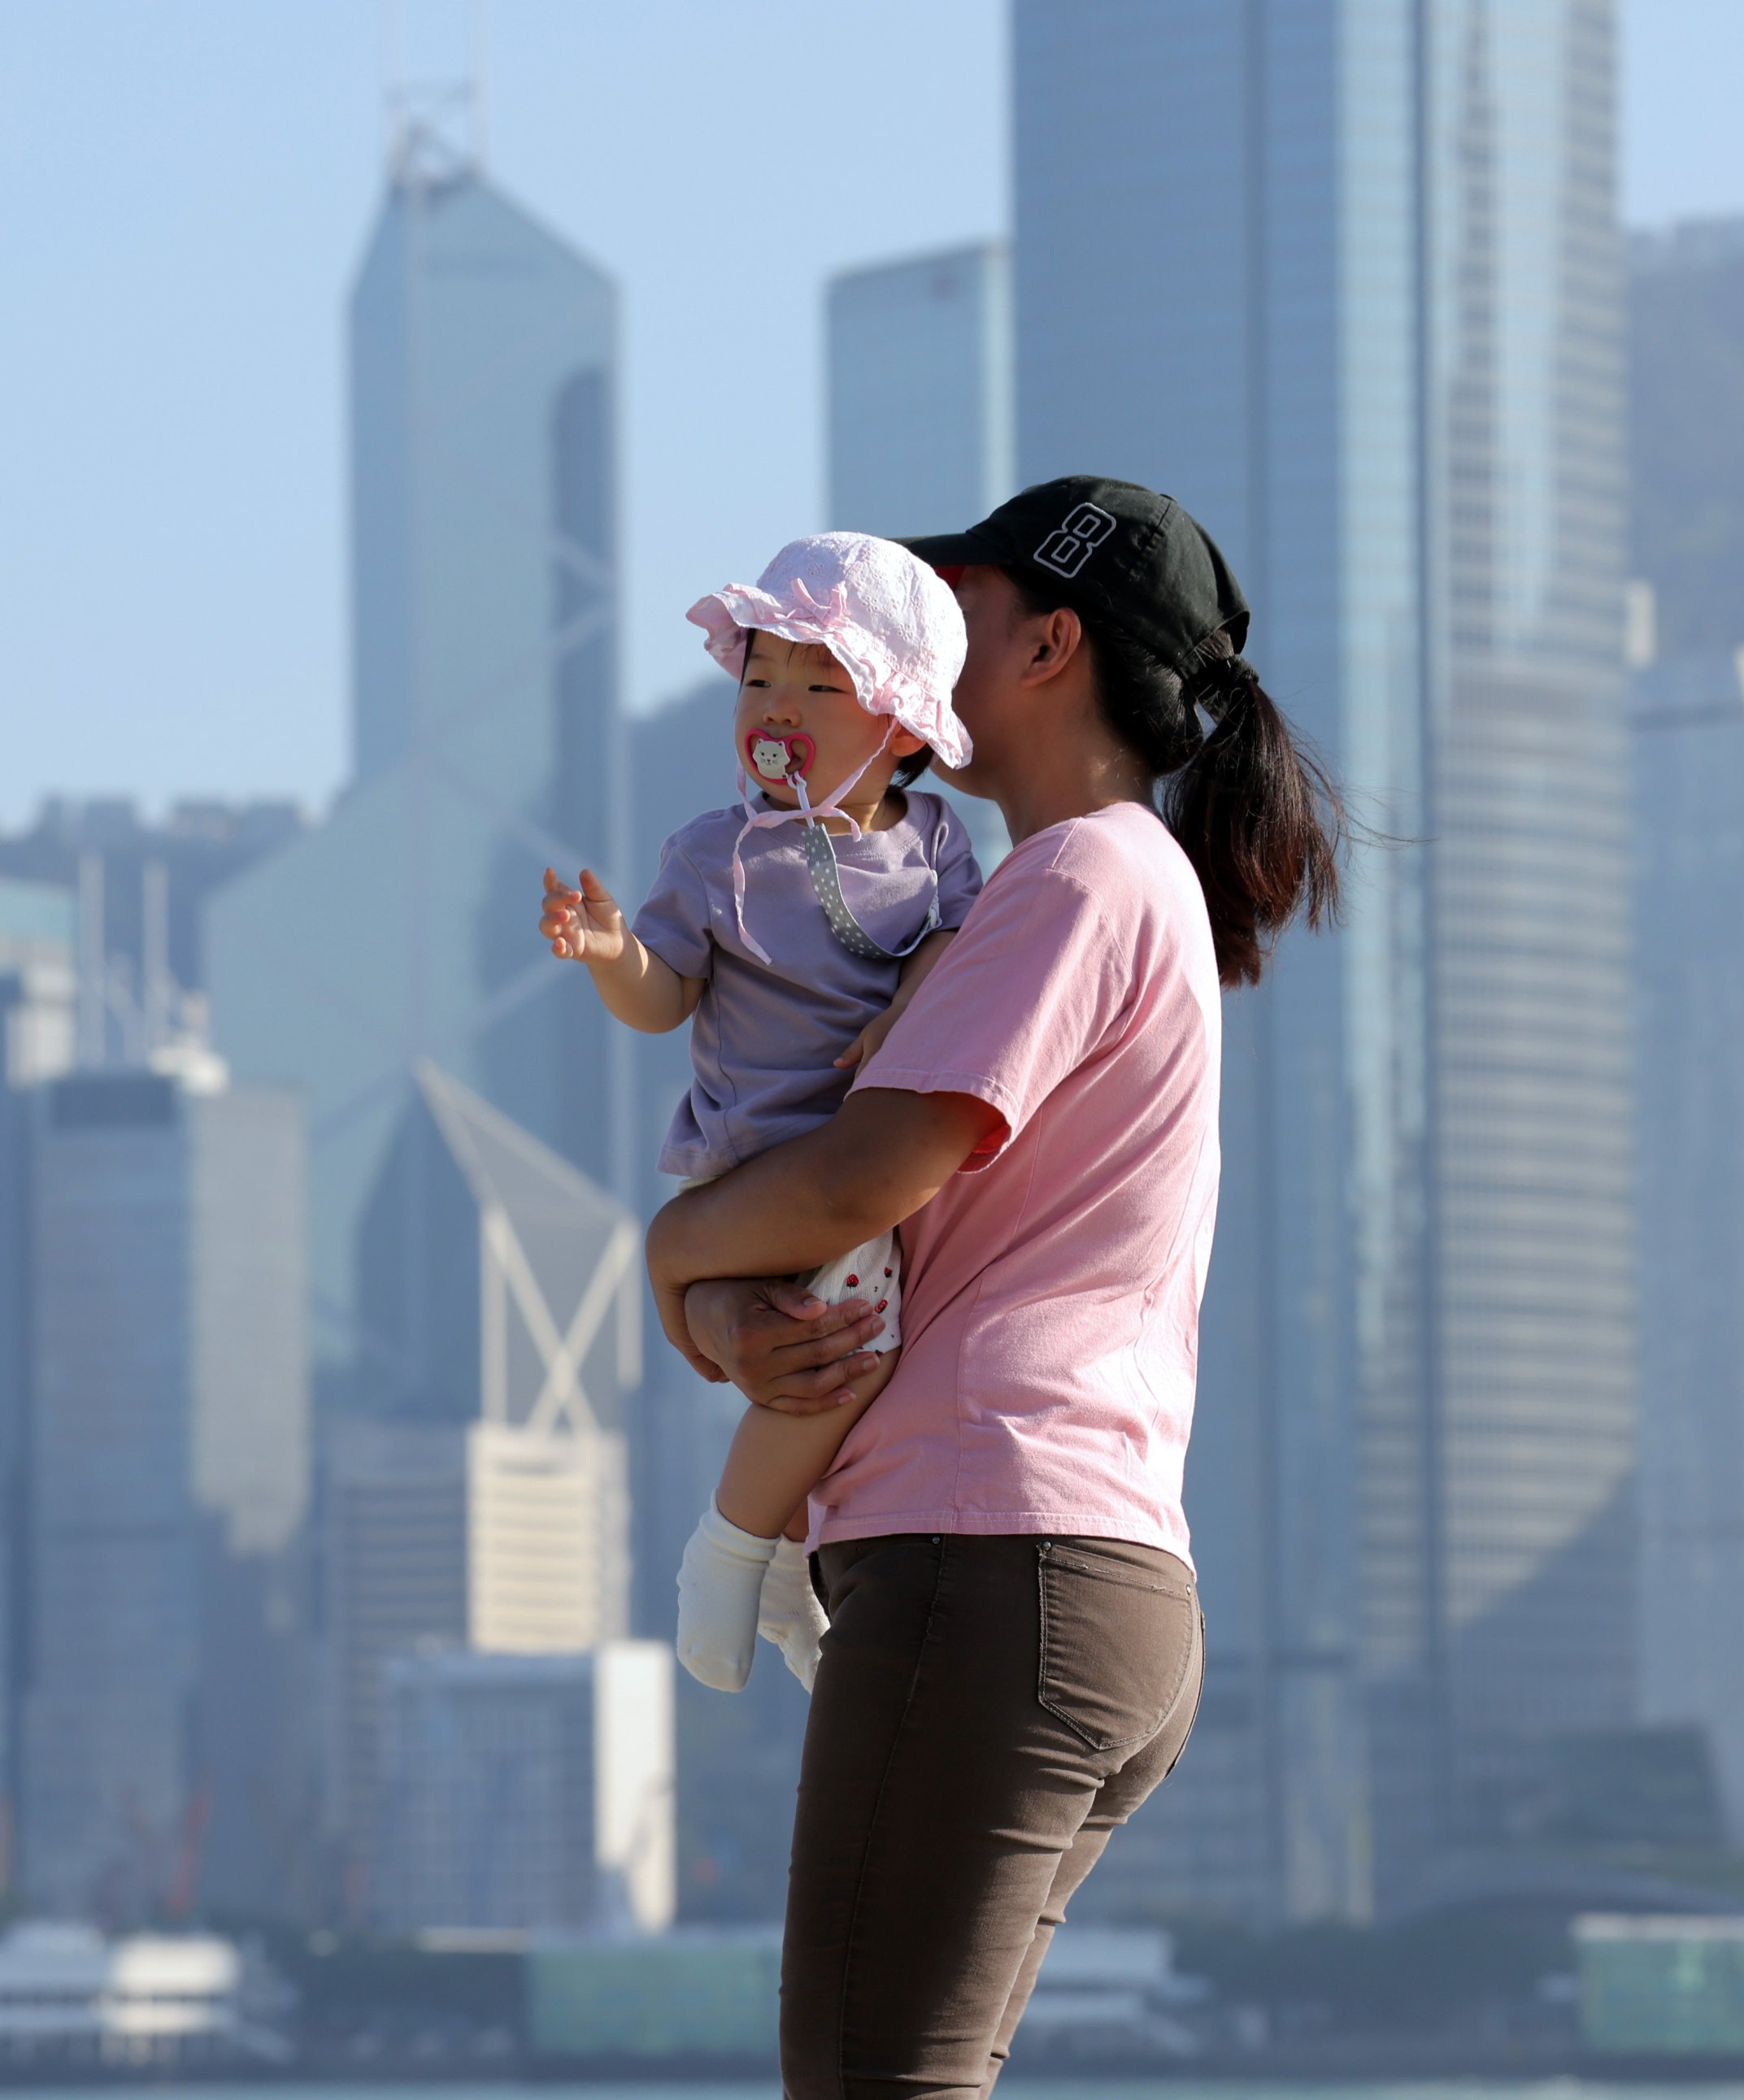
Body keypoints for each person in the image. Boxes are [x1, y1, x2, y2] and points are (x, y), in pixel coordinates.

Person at [645, 477, 1344, 2100]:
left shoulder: (1073, 879)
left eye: (945, 599)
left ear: (1045, 643)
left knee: (866, 2081)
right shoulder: (1027, 892)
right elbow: (847, 1243)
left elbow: (846, 1181)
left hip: (992, 1555)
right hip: (1062, 1566)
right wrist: (716, 1310)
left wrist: (667, 1256)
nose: (905, 627)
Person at [539, 531, 983, 1694]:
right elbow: (664, 997)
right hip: (755, 1170)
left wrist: (909, 1015)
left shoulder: (936, 846)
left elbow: (953, 943)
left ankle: (785, 1560)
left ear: (898, 725)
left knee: (815, 1363)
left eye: (818, 683)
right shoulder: (715, 857)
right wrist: (608, 953)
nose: (774, 703)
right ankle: (730, 1550)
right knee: (848, 1355)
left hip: (854, 1172)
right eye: (758, 677)